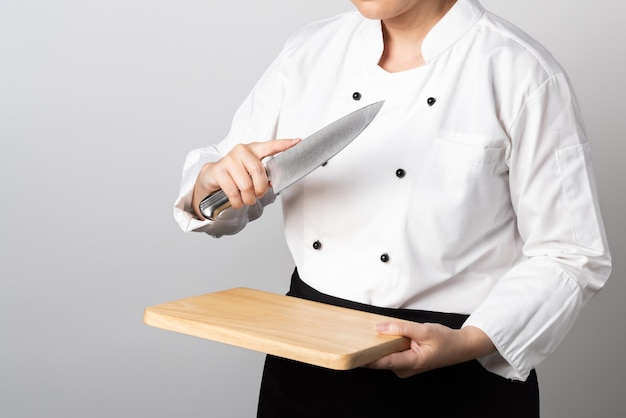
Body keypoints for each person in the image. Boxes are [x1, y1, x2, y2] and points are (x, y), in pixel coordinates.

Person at [174, 0, 612, 416]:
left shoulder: (520, 70)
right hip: (306, 357)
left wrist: (468, 342)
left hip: (456, 374)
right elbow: (222, 185)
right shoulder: (309, 52)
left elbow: (571, 254)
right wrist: (211, 185)